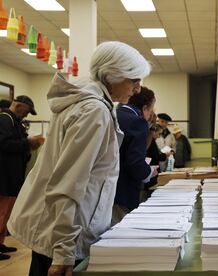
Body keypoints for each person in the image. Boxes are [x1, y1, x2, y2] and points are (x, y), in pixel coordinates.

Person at [7, 41, 151, 276]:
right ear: (112, 75)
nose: (137, 89)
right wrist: (64, 250)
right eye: (134, 80)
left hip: (59, 230)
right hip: (64, 238)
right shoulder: (93, 111)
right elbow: (69, 183)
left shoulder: (88, 104)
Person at [0, 96, 44, 261]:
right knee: (1, 211)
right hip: (4, 175)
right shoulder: (5, 120)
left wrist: (29, 144)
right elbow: (4, 144)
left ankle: (1, 242)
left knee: (6, 213)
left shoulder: (14, 121)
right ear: (18, 106)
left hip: (12, 175)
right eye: (26, 111)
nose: (26, 116)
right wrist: (28, 143)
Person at [113, 87, 157, 222]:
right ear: (144, 108)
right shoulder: (137, 122)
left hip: (106, 191)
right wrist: (148, 172)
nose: (150, 114)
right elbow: (135, 162)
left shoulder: (114, 114)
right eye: (150, 110)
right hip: (123, 192)